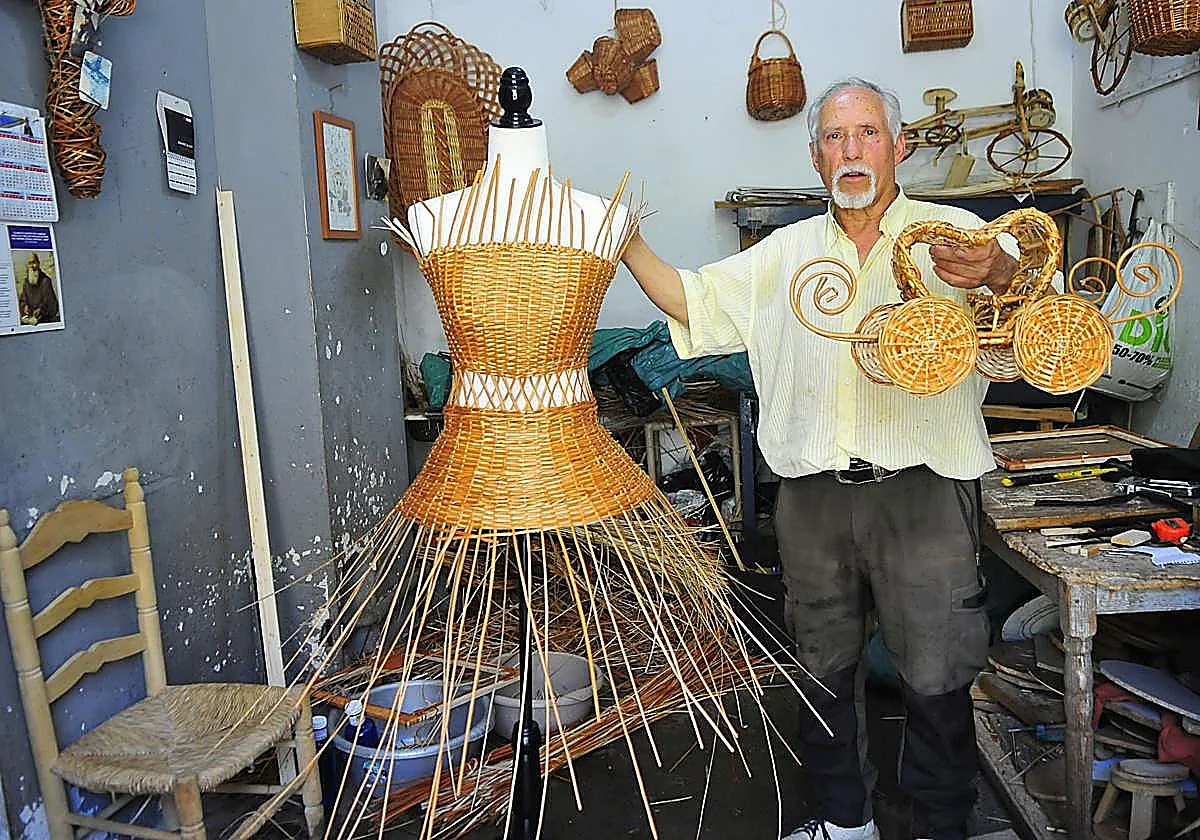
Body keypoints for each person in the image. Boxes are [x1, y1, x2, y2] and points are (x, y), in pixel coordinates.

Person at [621, 77, 1019, 840]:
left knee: (938, 671)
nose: (851, 151)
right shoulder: (783, 254)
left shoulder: (957, 236)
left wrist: (997, 272)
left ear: (898, 146)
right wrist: (627, 244)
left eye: (867, 133)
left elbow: (1040, 303)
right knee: (822, 668)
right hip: (812, 499)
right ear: (816, 156)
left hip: (924, 492)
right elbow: (692, 300)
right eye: (835, 138)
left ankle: (941, 824)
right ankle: (844, 821)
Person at [19, 253, 60, 325]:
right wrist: (25, 306)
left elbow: (51, 304)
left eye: (33, 262)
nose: (32, 266)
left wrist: (41, 310)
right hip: (31, 318)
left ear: (38, 263)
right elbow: (23, 300)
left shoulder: (46, 281)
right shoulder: (26, 282)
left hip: (44, 319)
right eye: (29, 263)